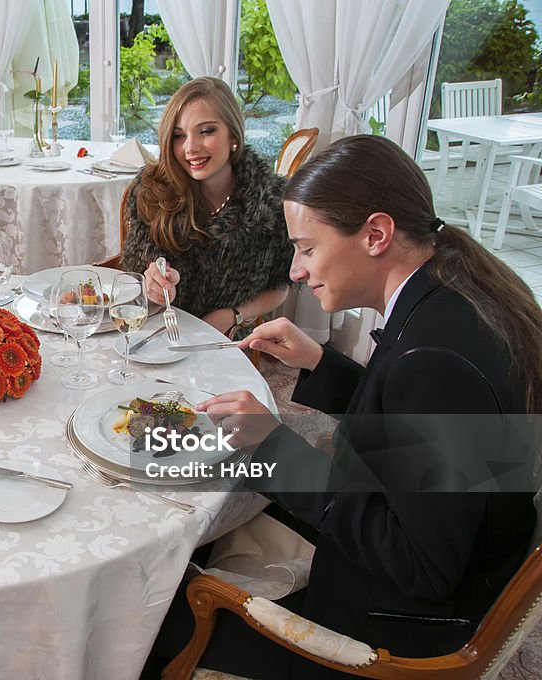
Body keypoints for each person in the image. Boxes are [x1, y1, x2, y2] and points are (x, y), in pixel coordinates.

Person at [144, 135, 541, 679]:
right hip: (421, 575)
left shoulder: (435, 363)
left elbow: (419, 566)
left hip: (389, 636)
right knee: (214, 500)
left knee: (150, 616)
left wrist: (276, 445)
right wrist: (321, 364)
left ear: (377, 234)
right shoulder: (449, 295)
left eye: (307, 247)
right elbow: (415, 435)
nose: (298, 271)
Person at [120, 77, 292, 337]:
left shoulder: (271, 202)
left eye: (206, 131)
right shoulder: (152, 191)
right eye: (179, 135)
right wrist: (153, 282)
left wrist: (232, 315)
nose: (191, 147)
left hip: (224, 340)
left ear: (233, 135)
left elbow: (279, 287)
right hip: (155, 334)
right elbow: (137, 270)